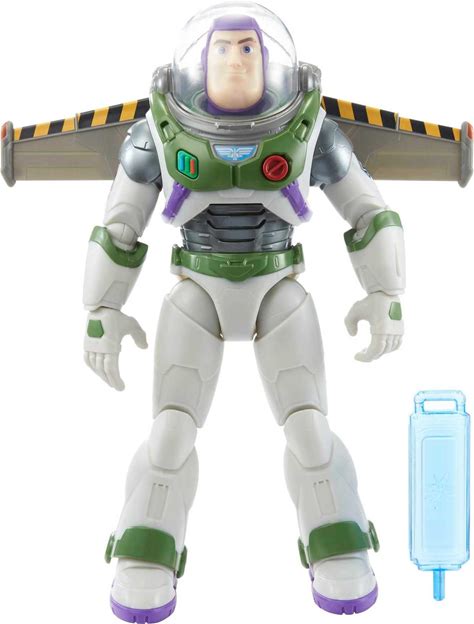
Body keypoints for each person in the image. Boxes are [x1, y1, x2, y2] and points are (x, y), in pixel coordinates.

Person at [83, 3, 404, 621]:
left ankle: (337, 538)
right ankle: (146, 547)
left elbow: (368, 210)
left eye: (248, 49)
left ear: (268, 60)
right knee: (171, 431)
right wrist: (102, 310)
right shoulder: (159, 131)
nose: (235, 60)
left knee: (309, 428)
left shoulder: (310, 129)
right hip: (196, 290)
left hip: (278, 287)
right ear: (201, 64)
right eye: (223, 49)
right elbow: (120, 223)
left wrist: (385, 294)